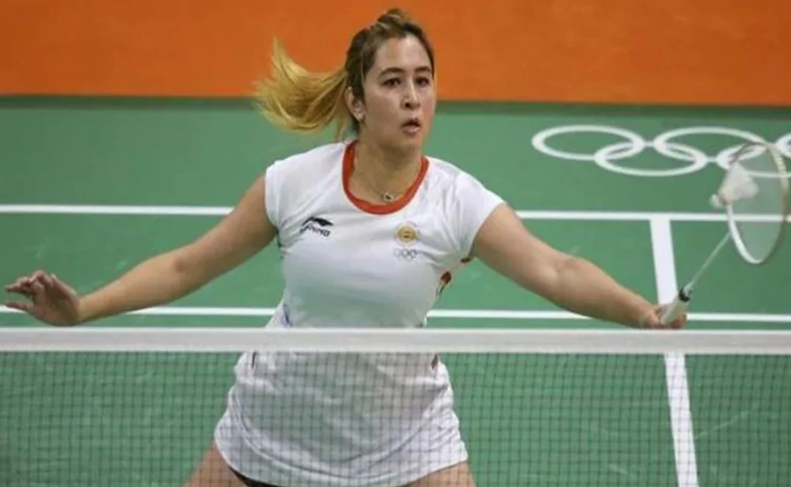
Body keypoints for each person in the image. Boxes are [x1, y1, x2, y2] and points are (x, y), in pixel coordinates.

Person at [3, 8, 687, 487]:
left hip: (406, 434)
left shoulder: (455, 201)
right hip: (276, 424)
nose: (413, 97)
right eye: (393, 81)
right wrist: (84, 308)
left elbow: (556, 269)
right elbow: (188, 264)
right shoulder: (295, 184)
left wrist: (640, 312)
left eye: (423, 79)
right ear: (358, 102)